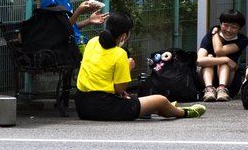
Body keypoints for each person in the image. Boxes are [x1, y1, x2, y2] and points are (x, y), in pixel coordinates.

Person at [75, 13, 206, 121]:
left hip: (82, 104)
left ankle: (158, 108)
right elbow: (120, 88)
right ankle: (183, 112)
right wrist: (128, 67)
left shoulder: (92, 42)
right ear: (124, 35)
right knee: (161, 100)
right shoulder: (119, 54)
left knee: (137, 100)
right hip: (104, 108)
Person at [195, 8, 248, 102]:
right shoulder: (209, 36)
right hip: (206, 81)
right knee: (210, 58)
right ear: (220, 24)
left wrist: (214, 32)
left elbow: (219, 51)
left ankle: (222, 89)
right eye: (225, 25)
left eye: (234, 27)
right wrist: (227, 60)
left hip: (229, 83)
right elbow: (199, 61)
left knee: (221, 59)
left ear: (240, 29)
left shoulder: (242, 39)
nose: (229, 30)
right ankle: (209, 89)